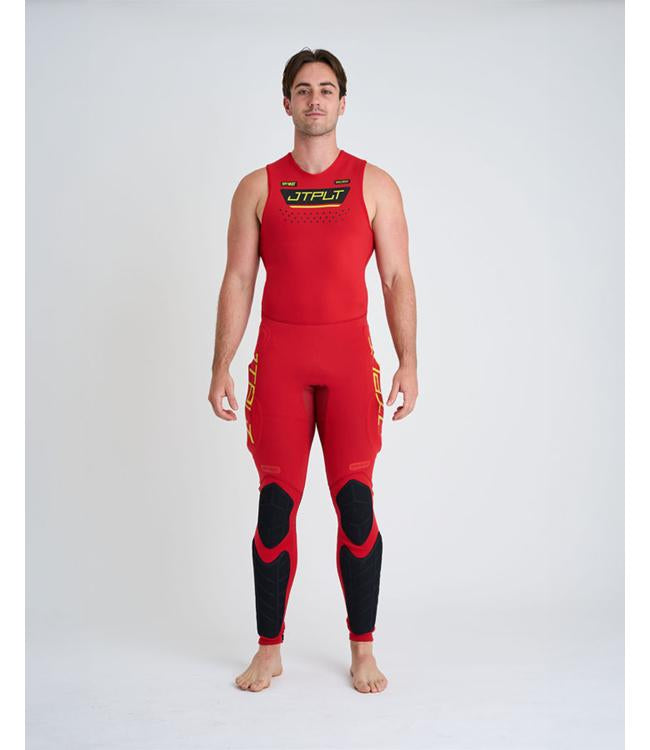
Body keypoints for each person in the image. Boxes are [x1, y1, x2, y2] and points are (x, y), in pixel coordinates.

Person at [208, 48, 417, 693]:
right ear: (287, 103)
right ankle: (269, 649)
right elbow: (238, 279)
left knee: (355, 503)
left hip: (350, 361)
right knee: (276, 505)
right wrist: (221, 364)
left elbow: (396, 278)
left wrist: (409, 360)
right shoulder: (257, 187)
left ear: (342, 103)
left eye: (326, 89)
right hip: (280, 362)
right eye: (303, 89)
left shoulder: (375, 184)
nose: (315, 99)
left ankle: (363, 650)